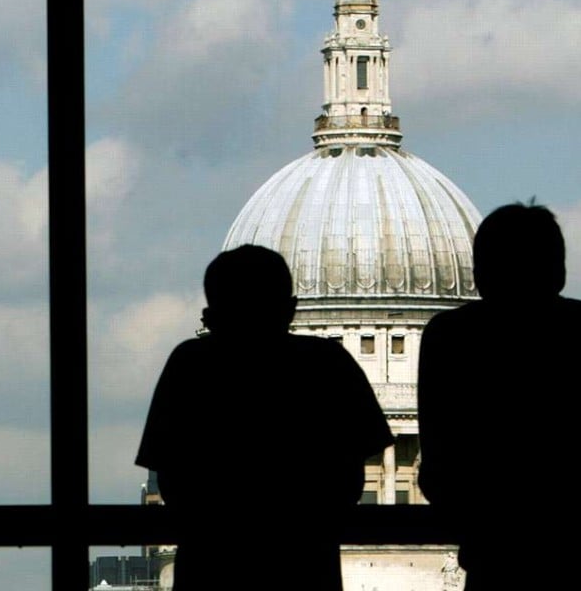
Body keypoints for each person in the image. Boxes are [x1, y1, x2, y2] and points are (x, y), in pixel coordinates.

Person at [136, 244, 393, 590]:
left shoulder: (189, 366)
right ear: (289, 310)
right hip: (305, 564)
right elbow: (350, 479)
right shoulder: (329, 365)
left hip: (211, 565)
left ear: (210, 317)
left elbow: (170, 477)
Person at [418, 203, 578, 589]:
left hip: (493, 556)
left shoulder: (450, 338)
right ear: (559, 271)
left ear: (479, 274)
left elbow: (438, 466)